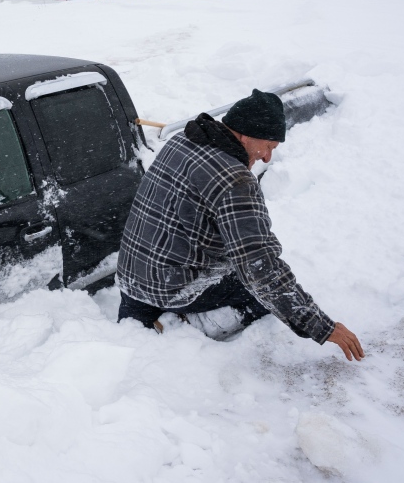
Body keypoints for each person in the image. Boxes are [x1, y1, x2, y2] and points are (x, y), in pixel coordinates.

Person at [117, 89, 364, 361]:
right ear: (245, 134)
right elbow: (261, 267)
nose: (268, 158)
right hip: (171, 287)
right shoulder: (234, 181)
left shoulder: (182, 141)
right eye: (268, 146)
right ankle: (187, 325)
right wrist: (320, 326)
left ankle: (144, 315)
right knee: (264, 295)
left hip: (131, 276)